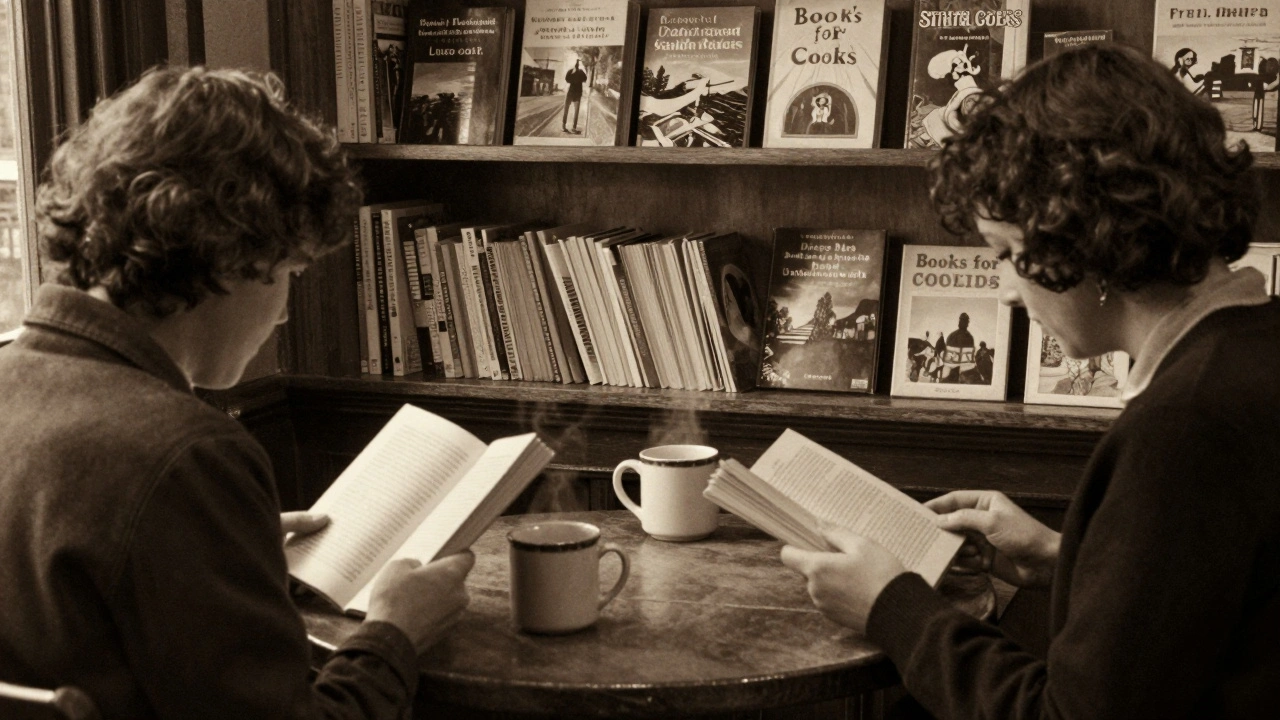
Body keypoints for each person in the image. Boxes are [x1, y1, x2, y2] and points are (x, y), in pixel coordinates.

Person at [781, 44, 1279, 719]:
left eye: (1012, 255)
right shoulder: (1250, 349)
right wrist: (1061, 555)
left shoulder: (1186, 423)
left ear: (1087, 235)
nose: (1008, 295)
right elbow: (1204, 606)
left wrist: (892, 606)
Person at [0, 66, 474, 719]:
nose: (282, 314)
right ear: (228, 255)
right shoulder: (184, 456)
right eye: (288, 273)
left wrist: (223, 544)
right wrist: (393, 634)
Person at [563, 59, 588, 134]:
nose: (576, 65)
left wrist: (573, 76)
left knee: (567, 109)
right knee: (574, 111)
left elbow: (567, 79)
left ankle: (565, 126)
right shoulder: (579, 72)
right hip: (576, 93)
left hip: (572, 93)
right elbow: (584, 79)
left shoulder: (573, 71)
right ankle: (571, 127)